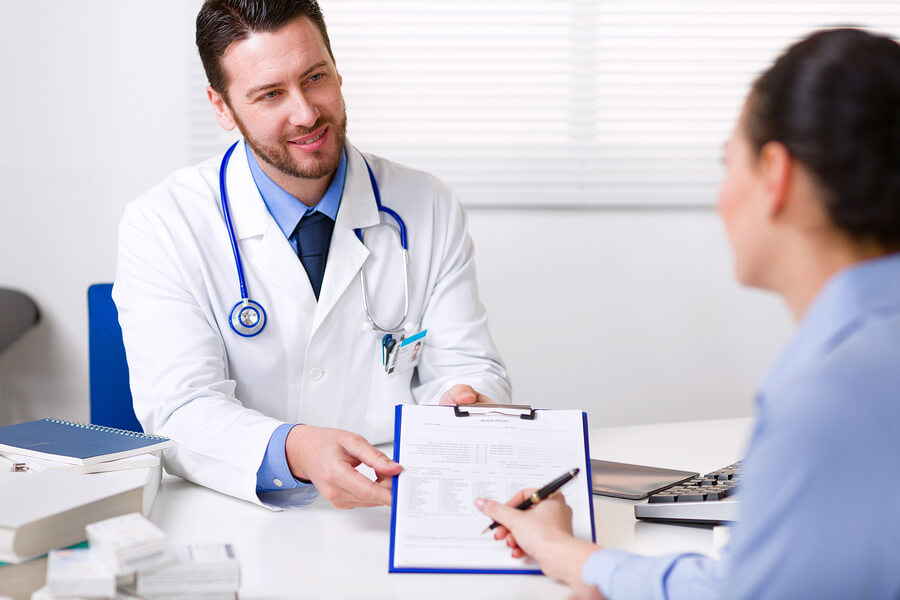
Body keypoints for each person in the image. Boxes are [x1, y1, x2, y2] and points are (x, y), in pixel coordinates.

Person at [476, 27, 900, 598]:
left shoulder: (828, 400)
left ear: (775, 175)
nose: (722, 197)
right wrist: (572, 555)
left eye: (729, 165)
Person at [113, 0, 510, 510]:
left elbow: (467, 364)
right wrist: (295, 449)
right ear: (222, 106)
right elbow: (181, 409)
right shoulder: (163, 224)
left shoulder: (426, 204)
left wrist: (467, 399)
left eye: (315, 77)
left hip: (392, 498)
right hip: (240, 510)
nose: (305, 114)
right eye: (270, 94)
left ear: (337, 72)